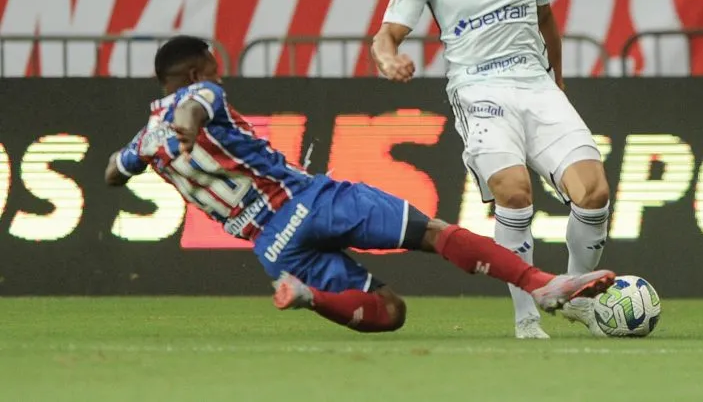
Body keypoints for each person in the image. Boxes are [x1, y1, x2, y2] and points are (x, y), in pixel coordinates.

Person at [105, 35, 615, 332]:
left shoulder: (144, 140)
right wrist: (189, 124)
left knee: (390, 314)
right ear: (196, 71)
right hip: (309, 201)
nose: (220, 76)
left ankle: (308, 297)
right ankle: (543, 285)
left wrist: (151, 152)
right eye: (214, 68)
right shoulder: (202, 93)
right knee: (434, 233)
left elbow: (113, 171)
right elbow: (197, 107)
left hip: (272, 246)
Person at [371, 0, 613, 340]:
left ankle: (571, 295)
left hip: (537, 86)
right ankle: (527, 316)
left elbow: (546, 21)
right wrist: (388, 59)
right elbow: (386, 35)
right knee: (514, 191)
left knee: (595, 192)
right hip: (479, 91)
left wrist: (557, 81)